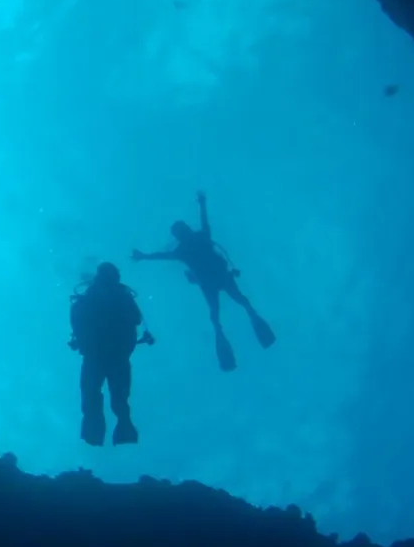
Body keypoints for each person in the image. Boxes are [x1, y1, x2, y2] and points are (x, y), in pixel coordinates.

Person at [131, 191, 275, 372]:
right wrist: (202, 203)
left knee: (220, 311)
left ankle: (224, 337)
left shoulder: (185, 248)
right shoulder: (199, 238)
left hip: (210, 282)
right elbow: (202, 224)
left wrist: (143, 256)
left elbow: (161, 255)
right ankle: (243, 327)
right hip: (218, 277)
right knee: (238, 302)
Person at [69, 262, 153, 446]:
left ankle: (95, 436)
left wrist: (80, 341)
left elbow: (77, 319)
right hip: (117, 357)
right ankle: (122, 433)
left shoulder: (92, 296)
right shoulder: (123, 296)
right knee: (119, 398)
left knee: (93, 396)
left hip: (96, 357)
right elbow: (137, 319)